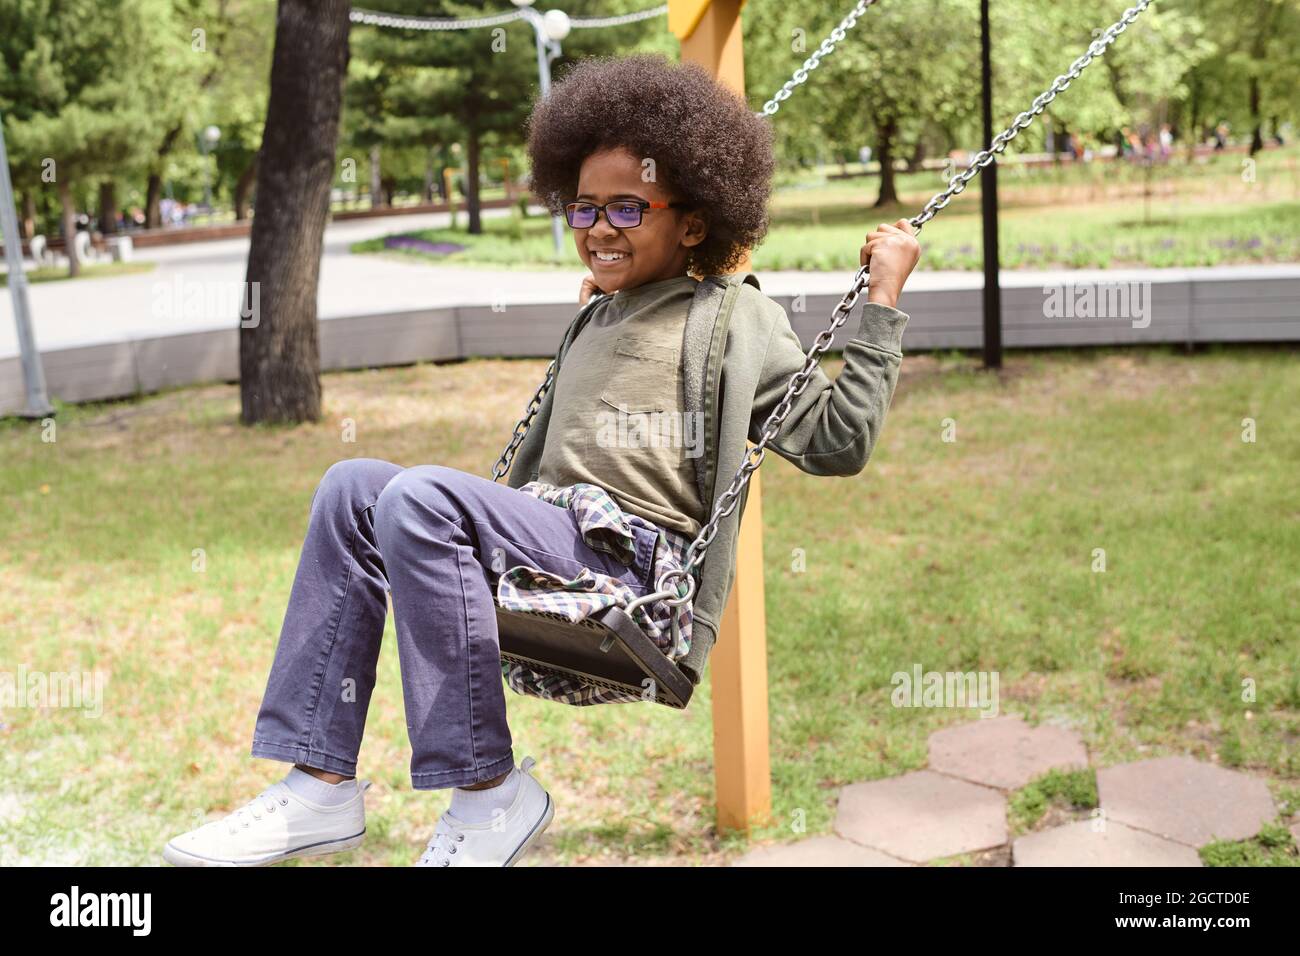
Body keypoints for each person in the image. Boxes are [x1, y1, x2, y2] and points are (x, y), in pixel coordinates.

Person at [161, 53, 920, 868]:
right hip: (549, 542)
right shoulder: (593, 318)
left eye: (629, 208)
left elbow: (839, 443)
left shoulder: (737, 319)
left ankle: (489, 795)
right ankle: (319, 785)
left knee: (417, 497)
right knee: (352, 487)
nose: (599, 227)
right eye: (582, 206)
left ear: (694, 222)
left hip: (630, 571)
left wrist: (881, 302)